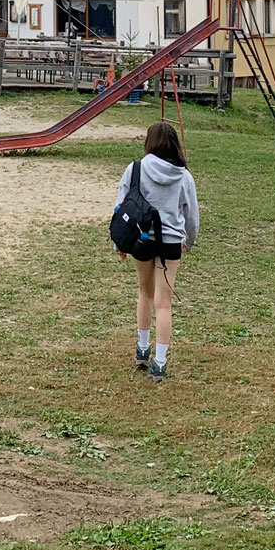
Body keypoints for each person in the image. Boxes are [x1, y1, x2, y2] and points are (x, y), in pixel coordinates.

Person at [113, 120, 198, 380]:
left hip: (141, 237)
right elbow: (192, 214)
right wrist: (189, 240)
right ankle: (160, 362)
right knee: (164, 303)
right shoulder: (183, 175)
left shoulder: (135, 168)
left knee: (144, 292)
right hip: (171, 241)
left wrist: (120, 241)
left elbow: (121, 205)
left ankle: (142, 348)